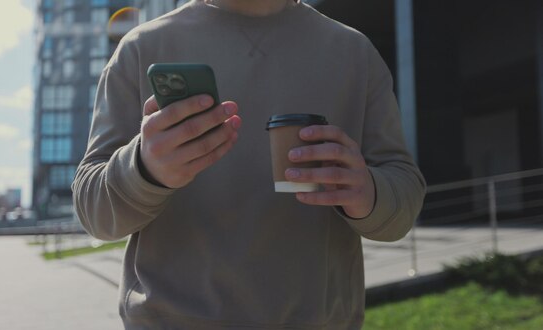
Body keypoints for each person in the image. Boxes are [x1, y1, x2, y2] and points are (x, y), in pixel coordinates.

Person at [72, 0, 426, 328]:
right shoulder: (140, 48)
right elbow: (94, 214)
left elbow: (405, 195)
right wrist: (144, 168)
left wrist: (368, 192)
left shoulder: (355, 54)